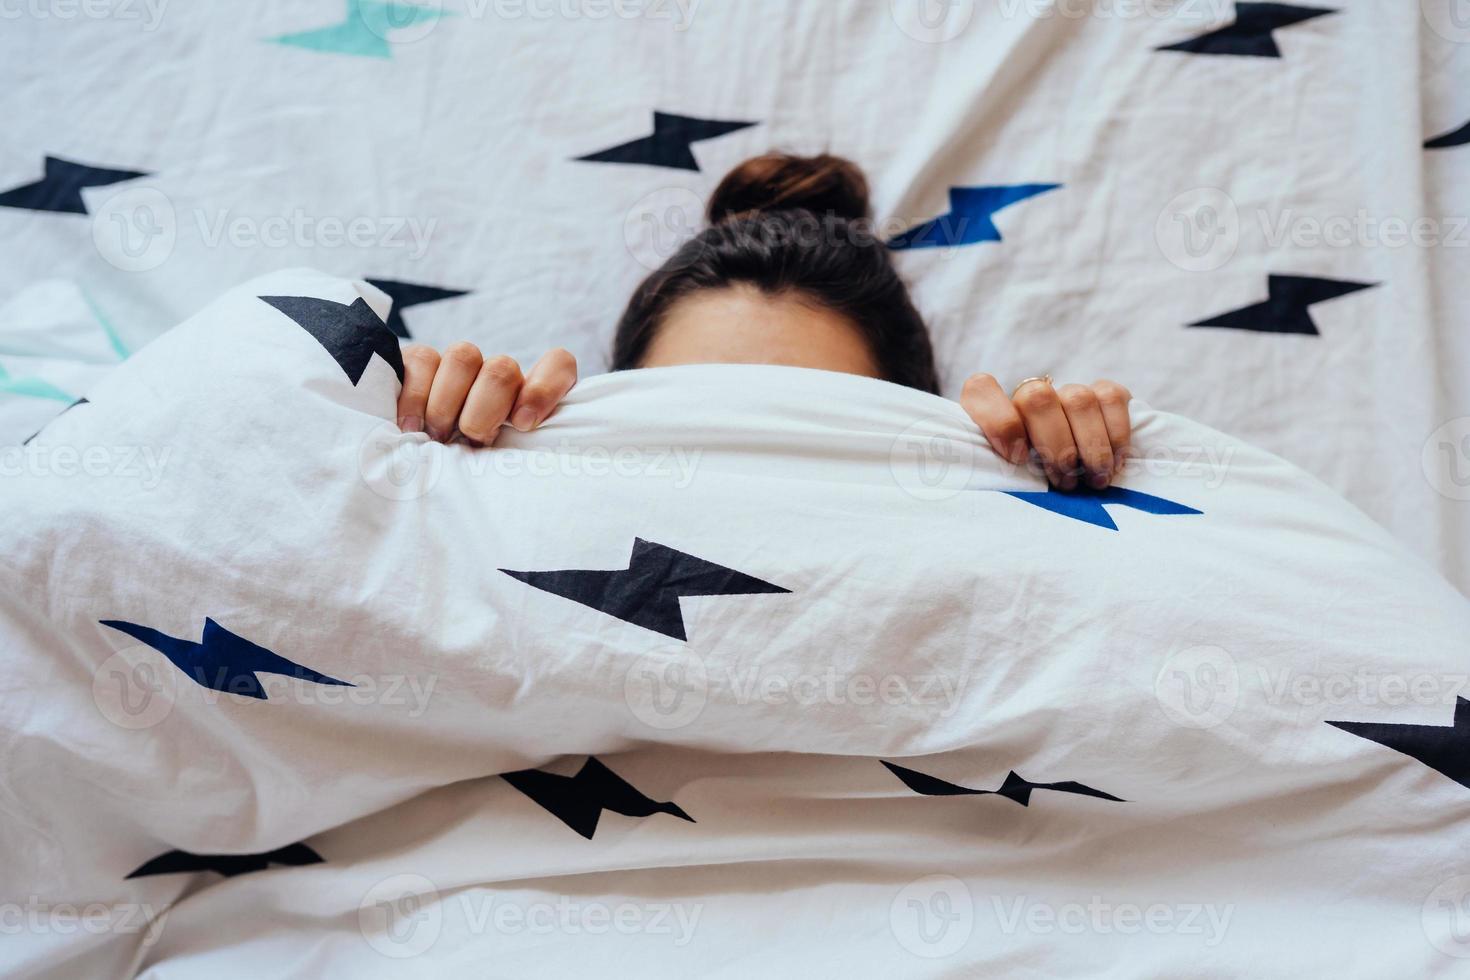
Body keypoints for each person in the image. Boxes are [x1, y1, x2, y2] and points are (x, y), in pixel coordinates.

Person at [393, 153, 1133, 491]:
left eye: (809, 416)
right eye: (691, 410)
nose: (745, 451)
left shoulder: (996, 518)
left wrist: (1061, 474)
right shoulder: (503, 495)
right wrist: (423, 439)